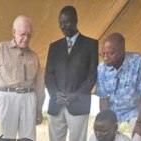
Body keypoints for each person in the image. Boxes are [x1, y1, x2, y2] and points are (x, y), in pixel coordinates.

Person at [0, 15, 45, 141]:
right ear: (13, 32)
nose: (26, 38)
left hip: (29, 98)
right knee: (5, 138)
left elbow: (40, 85)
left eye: (29, 35)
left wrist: (39, 109)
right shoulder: (0, 48)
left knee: (28, 138)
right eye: (23, 34)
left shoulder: (34, 56)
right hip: (6, 97)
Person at [45, 5, 98, 141]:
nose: (63, 26)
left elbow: (92, 76)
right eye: (61, 23)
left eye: (66, 22)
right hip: (56, 104)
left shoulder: (91, 44)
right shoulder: (54, 47)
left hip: (78, 104)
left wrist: (75, 95)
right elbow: (48, 75)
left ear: (76, 20)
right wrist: (55, 93)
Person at [96, 32, 141, 141]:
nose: (105, 58)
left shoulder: (139, 62)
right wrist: (106, 123)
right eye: (103, 53)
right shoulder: (101, 69)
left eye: (110, 53)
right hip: (113, 111)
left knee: (139, 137)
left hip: (136, 110)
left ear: (122, 51)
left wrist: (139, 123)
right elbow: (103, 98)